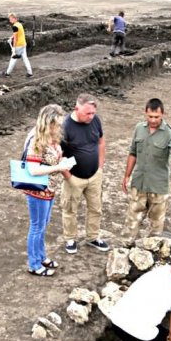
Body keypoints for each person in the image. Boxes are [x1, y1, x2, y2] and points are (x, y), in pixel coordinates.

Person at [122, 98, 171, 244]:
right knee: (132, 221)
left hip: (158, 187)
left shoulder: (169, 133)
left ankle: (150, 251)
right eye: (150, 116)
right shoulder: (139, 128)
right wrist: (127, 175)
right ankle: (126, 247)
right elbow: (133, 152)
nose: (153, 120)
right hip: (139, 183)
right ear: (145, 113)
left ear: (162, 114)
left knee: (156, 226)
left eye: (156, 117)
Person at [22, 104, 76, 277]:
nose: (60, 127)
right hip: (38, 191)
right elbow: (33, 169)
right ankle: (34, 264)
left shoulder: (52, 137)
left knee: (42, 225)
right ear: (49, 122)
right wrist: (59, 166)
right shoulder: (37, 140)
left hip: (49, 188)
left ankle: (41, 257)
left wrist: (63, 162)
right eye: (58, 124)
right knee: (37, 226)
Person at [60, 94, 109, 255]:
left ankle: (92, 237)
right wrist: (68, 177)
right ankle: (70, 239)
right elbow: (58, 155)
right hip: (74, 177)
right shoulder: (65, 127)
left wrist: (100, 167)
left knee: (96, 208)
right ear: (76, 108)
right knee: (70, 209)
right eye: (87, 113)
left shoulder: (95, 120)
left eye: (93, 113)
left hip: (95, 175)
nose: (91, 117)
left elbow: (101, 141)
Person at [3, 12, 33, 78]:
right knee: (25, 58)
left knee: (13, 59)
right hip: (23, 44)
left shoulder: (14, 26)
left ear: (14, 18)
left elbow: (16, 38)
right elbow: (17, 34)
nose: (9, 20)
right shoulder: (19, 24)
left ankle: (7, 73)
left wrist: (13, 48)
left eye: (10, 18)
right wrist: (11, 37)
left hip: (18, 45)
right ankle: (30, 72)